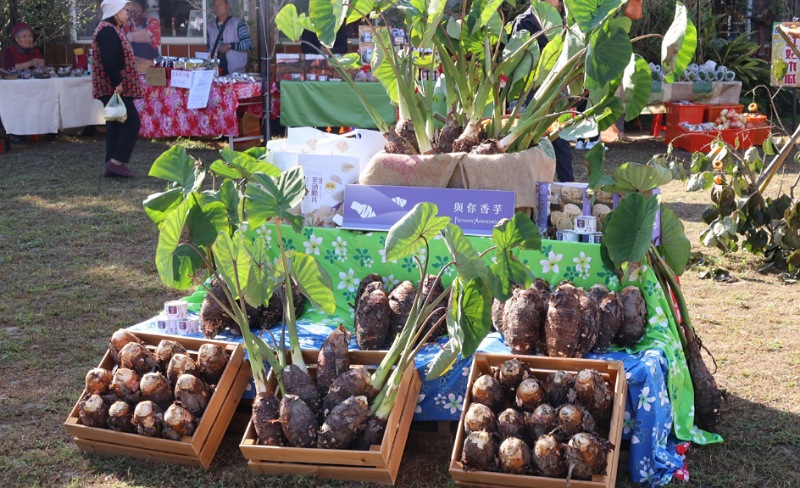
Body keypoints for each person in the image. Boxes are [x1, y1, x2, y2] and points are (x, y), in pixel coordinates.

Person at [511, 0, 574, 182]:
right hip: (533, 90)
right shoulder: (524, 22)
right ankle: (532, 192)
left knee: (561, 144)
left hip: (557, 88)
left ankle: (568, 191)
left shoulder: (563, 21)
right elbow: (518, 60)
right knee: (532, 143)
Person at [92, 0, 144, 178]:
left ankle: (110, 165)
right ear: (115, 12)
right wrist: (118, 84)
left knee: (115, 124)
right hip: (114, 88)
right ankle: (117, 162)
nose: (127, 13)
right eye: (124, 10)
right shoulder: (107, 30)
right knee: (132, 122)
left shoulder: (110, 29)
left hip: (112, 87)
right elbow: (108, 60)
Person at [207, 0, 253, 75]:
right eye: (215, 5)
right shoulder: (210, 26)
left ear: (227, 6)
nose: (217, 7)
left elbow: (248, 45)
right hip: (215, 71)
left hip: (235, 73)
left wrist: (230, 46)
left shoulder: (237, 24)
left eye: (220, 4)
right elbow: (209, 49)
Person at [123, 0, 161, 72]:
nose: (133, 15)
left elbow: (151, 34)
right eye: (130, 12)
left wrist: (129, 37)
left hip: (153, 68)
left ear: (145, 11)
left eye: (136, 11)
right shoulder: (128, 26)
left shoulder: (152, 21)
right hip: (135, 70)